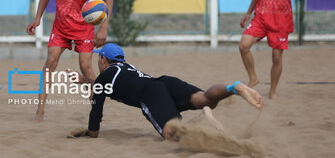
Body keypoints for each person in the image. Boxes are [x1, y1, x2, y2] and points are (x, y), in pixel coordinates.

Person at [70, 43, 263, 139]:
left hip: (151, 95)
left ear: (103, 60)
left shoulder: (106, 76)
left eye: (98, 59)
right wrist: (84, 81)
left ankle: (202, 122)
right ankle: (233, 87)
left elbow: (96, 110)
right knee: (206, 99)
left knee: (172, 135)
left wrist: (91, 132)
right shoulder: (127, 67)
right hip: (164, 82)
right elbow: (106, 84)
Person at [26, 0, 113, 122]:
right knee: (50, 62)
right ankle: (40, 110)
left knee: (85, 67)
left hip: (83, 27)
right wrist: (37, 17)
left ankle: (95, 109)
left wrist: (104, 26)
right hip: (61, 26)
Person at [239, 0, 312, 99]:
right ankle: (253, 78)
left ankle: (272, 92)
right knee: (243, 46)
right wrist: (248, 13)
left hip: (280, 20)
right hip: (261, 17)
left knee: (276, 57)